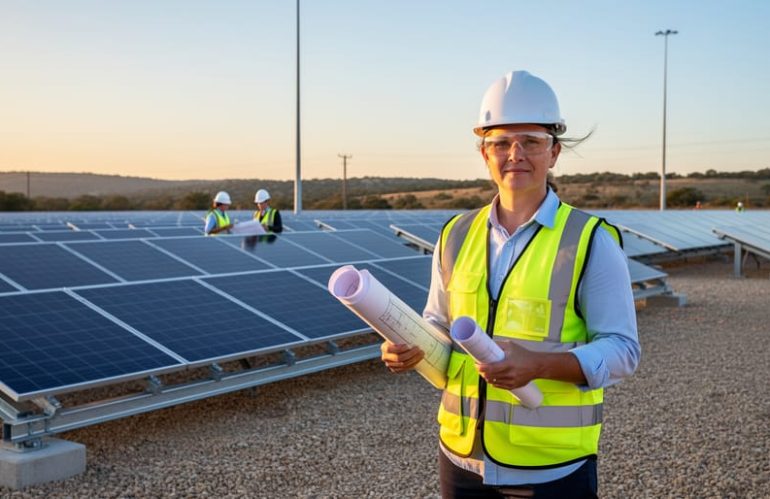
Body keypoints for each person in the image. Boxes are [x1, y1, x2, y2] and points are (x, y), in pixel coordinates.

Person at [380, 70, 640, 498]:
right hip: (461, 461)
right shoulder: (456, 235)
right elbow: (438, 324)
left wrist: (539, 364)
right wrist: (409, 347)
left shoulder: (589, 240)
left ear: (554, 152)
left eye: (530, 142)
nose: (514, 154)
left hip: (551, 469)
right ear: (484, 153)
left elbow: (623, 351)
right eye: (500, 142)